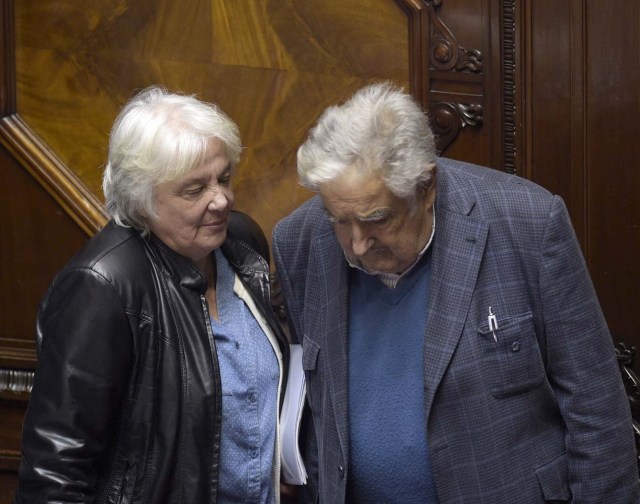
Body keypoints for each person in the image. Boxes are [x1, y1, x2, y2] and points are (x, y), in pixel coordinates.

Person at [272, 82, 640, 503]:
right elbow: (316, 408)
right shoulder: (298, 241)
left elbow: (596, 411)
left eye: (377, 219)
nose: (357, 244)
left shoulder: (527, 224)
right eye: (339, 220)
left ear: (426, 188)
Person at [14, 86, 292, 503]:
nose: (222, 199)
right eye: (194, 190)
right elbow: (54, 473)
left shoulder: (241, 242)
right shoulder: (103, 284)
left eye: (224, 178)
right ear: (141, 201)